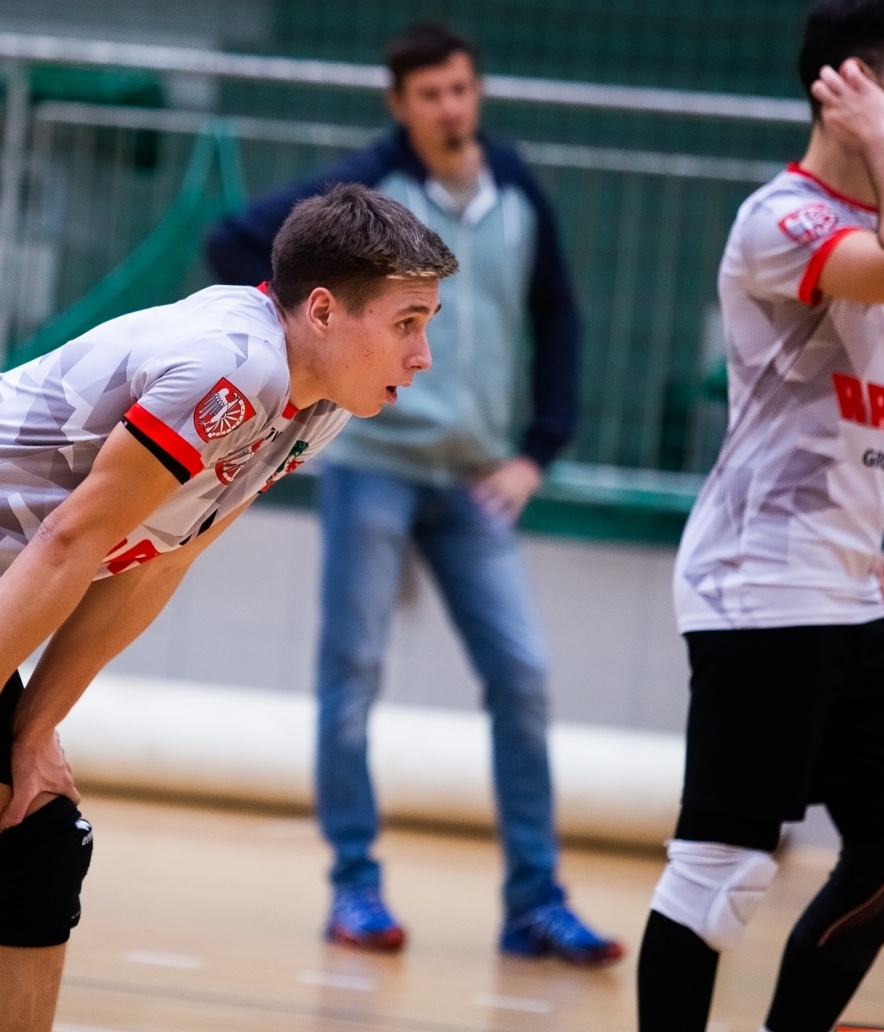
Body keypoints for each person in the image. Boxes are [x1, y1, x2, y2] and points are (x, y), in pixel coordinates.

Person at [0, 184, 456, 1032]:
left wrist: (34, 729)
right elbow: (68, 542)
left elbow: (160, 558)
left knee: (43, 843)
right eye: (408, 322)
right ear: (322, 310)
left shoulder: (322, 405)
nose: (423, 353)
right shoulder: (234, 368)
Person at [206, 22, 618, 963]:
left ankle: (534, 903)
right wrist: (295, 384)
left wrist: (539, 450)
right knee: (350, 680)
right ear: (400, 105)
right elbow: (229, 240)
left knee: (523, 677)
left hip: (476, 481)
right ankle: (355, 889)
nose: (451, 108)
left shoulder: (516, 192)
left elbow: (560, 318)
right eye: (430, 94)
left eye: (462, 89)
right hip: (372, 468)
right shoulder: (365, 197)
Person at [636, 3, 884, 1032]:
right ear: (853, 84)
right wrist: (877, 138)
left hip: (838, 579)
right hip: (759, 582)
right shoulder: (781, 219)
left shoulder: (875, 226)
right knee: (722, 865)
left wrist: (861, 535)